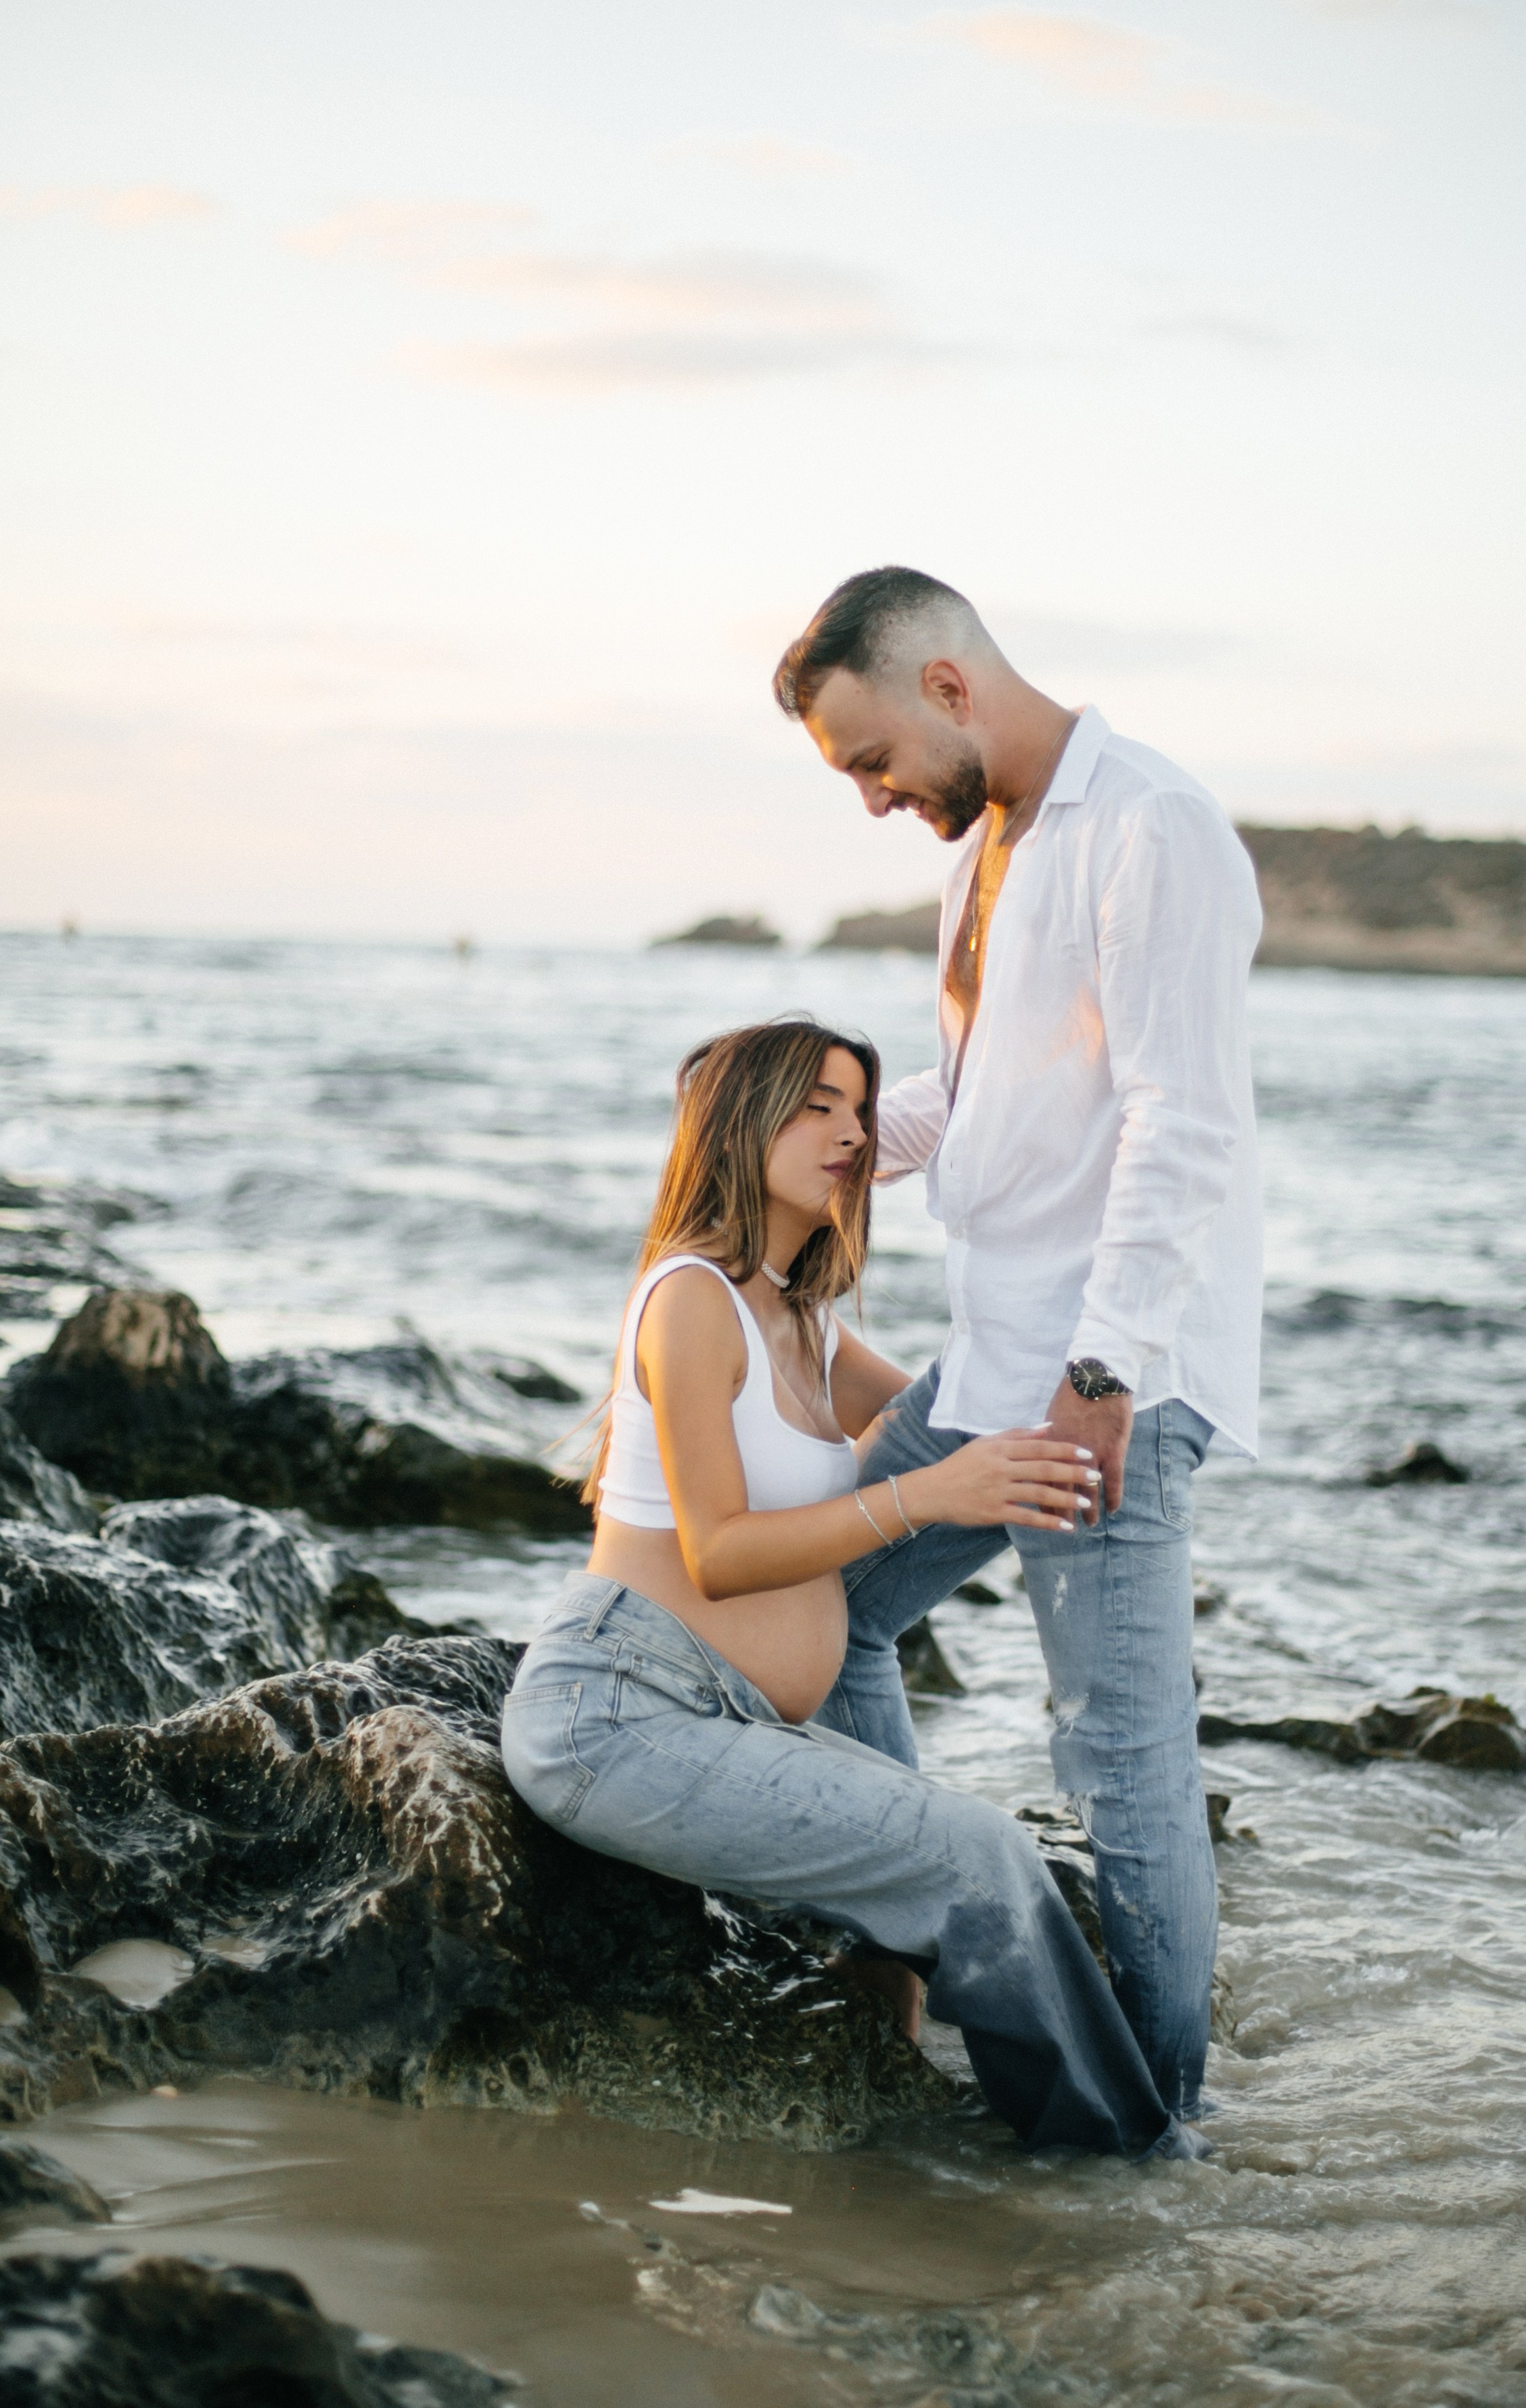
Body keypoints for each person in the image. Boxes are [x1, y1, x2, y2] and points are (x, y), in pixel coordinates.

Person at [501, 1016, 1209, 2160]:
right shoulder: (690, 1299)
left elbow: (970, 1413)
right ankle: (1126, 2164)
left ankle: (948, 2102)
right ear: (740, 1125)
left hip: (720, 1718)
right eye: (815, 1106)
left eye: (861, 1110)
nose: (850, 1134)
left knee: (957, 1859)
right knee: (983, 1858)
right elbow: (720, 1552)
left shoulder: (800, 1320)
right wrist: (927, 1498)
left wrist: (1122, 1379)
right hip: (617, 1714)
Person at [772, 568, 1263, 2127]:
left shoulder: (1148, 827)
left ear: (944, 684)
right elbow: (984, 1100)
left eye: (869, 760)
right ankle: (917, 1946)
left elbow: (1182, 1123)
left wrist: (1102, 1377)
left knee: (1118, 1760)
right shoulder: (987, 848)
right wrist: (812, 1150)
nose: (870, 799)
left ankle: (1149, 2133)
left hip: (1102, 1379)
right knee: (825, 1608)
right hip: (992, 1364)